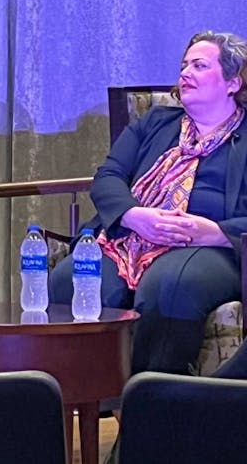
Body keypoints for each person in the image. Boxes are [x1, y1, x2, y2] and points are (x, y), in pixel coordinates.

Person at [50, 30, 247, 377]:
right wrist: (133, 215)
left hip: (212, 247)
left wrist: (215, 232)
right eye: (184, 65)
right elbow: (108, 176)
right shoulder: (155, 123)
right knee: (71, 279)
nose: (185, 73)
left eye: (200, 66)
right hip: (131, 236)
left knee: (170, 286)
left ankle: (156, 412)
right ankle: (95, 402)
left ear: (232, 82)